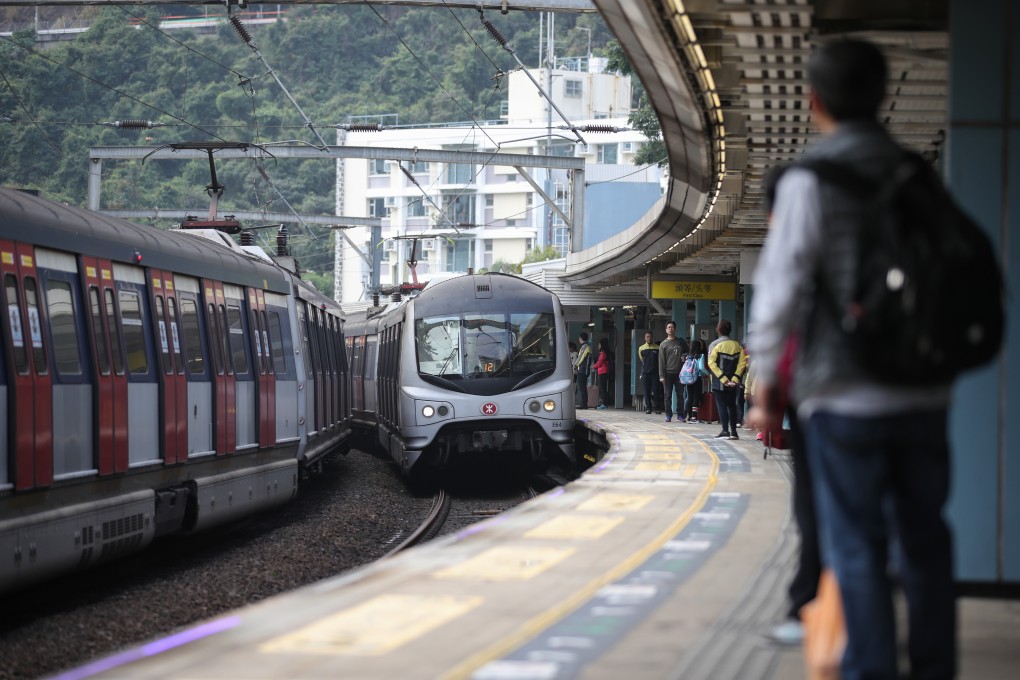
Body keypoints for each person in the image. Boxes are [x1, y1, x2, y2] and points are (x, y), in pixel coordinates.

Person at [748, 39, 956, 679]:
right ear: (882, 93)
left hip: (841, 394)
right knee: (925, 539)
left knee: (856, 544)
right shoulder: (918, 175)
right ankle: (933, 668)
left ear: (813, 102)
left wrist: (764, 389)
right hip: (924, 391)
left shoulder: (810, 181)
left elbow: (779, 289)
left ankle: (872, 670)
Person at [707, 319, 747, 440]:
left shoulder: (714, 345)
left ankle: (725, 430)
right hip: (734, 383)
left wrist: (723, 379)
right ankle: (734, 432)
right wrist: (734, 379)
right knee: (732, 405)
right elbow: (742, 364)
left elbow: (711, 363)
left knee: (721, 405)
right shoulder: (738, 346)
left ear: (718, 330)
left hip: (719, 382)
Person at [657, 321, 684, 422]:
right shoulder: (663, 344)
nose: (670, 329)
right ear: (666, 330)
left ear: (675, 329)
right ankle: (668, 415)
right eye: (668, 327)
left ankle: (680, 414)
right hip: (667, 373)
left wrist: (684, 356)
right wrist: (661, 375)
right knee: (667, 395)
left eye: (672, 327)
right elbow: (661, 361)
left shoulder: (680, 342)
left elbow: (688, 351)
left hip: (680, 373)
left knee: (680, 395)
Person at [681, 339, 709, 423]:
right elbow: (701, 367)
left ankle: (689, 416)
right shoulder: (701, 355)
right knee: (696, 397)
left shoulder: (688, 356)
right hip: (697, 378)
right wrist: (707, 373)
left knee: (689, 397)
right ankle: (694, 417)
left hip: (689, 378)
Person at [638, 331, 663, 414]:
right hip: (645, 373)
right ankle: (648, 408)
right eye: (647, 337)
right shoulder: (641, 348)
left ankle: (657, 408)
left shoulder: (657, 347)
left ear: (652, 338)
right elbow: (642, 360)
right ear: (645, 338)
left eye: (650, 337)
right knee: (646, 391)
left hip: (655, 373)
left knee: (656, 391)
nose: (649, 338)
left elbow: (660, 360)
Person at [592, 337, 611, 410]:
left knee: (603, 389)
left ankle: (605, 404)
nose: (598, 346)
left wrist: (594, 366)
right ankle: (604, 403)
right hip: (603, 372)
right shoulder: (604, 353)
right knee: (603, 388)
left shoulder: (603, 353)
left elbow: (599, 362)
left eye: (599, 344)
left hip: (603, 372)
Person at [574, 332, 592, 410]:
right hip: (584, 370)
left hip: (583, 370)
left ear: (580, 339)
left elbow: (581, 357)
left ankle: (584, 404)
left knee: (582, 388)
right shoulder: (587, 347)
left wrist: (575, 364)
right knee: (582, 387)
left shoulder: (585, 347)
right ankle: (583, 404)